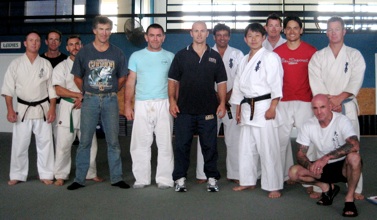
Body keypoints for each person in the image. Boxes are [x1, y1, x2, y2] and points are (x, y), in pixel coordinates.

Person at [67, 16, 129, 190]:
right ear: (94, 30)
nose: (104, 33)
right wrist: (88, 91)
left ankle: (116, 178)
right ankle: (79, 178)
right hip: (90, 100)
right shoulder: (84, 52)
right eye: (101, 29)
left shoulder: (117, 53)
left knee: (113, 141)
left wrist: (113, 90)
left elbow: (123, 77)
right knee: (85, 141)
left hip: (110, 99)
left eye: (108, 29)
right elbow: (77, 77)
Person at [309, 16, 365, 200]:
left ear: (344, 31)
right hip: (324, 108)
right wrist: (329, 104)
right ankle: (322, 187)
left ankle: (355, 187)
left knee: (352, 147)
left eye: (337, 29)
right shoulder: (318, 56)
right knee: (321, 145)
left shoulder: (354, 55)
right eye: (330, 30)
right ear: (326, 32)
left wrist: (340, 99)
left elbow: (356, 78)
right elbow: (315, 81)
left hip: (346, 106)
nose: (333, 33)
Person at [168, 21, 227, 192]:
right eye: (196, 31)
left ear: (207, 33)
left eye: (202, 31)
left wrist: (222, 103)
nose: (199, 34)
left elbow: (222, 82)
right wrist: (172, 101)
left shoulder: (215, 56)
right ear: (191, 33)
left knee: (210, 146)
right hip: (184, 110)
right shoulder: (181, 55)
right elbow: (172, 81)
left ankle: (212, 179)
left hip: (208, 110)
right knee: (181, 146)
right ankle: (179, 179)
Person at [230, 23, 284, 198]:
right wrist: (238, 108)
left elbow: (276, 83)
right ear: (245, 39)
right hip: (247, 108)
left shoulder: (270, 57)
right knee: (246, 148)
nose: (253, 39)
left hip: (264, 106)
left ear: (264, 38)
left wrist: (273, 107)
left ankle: (274, 185)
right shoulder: (243, 59)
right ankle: (248, 181)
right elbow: (238, 85)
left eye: (257, 36)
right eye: (250, 36)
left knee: (268, 148)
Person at [289, 94, 362, 217]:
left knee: (354, 157)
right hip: (323, 167)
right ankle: (327, 188)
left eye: (322, 107)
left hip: (344, 166)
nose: (319, 112)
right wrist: (310, 165)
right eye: (315, 108)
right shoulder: (308, 125)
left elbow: (354, 145)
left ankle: (349, 199)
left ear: (329, 106)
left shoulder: (341, 120)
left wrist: (325, 158)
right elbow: (301, 154)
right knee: (293, 172)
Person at [1, 30, 57, 185]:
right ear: (25, 43)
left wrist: (52, 108)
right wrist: (10, 109)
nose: (34, 43)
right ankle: (17, 174)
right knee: (20, 143)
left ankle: (46, 173)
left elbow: (52, 88)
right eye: (31, 40)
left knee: (45, 143)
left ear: (40, 43)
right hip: (22, 109)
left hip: (42, 108)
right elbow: (7, 89)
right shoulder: (16, 64)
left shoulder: (45, 63)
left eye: (37, 40)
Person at [125, 23, 174, 189]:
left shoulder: (170, 57)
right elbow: (130, 82)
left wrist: (174, 102)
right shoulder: (136, 56)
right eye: (152, 35)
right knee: (140, 143)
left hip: (164, 103)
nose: (155, 38)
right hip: (142, 103)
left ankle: (165, 179)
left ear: (163, 37)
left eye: (159, 35)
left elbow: (175, 83)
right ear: (146, 37)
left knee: (165, 143)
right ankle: (141, 179)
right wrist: (127, 105)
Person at [195, 23, 243, 184]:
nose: (222, 38)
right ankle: (203, 173)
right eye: (219, 35)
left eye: (225, 35)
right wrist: (216, 96)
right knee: (206, 138)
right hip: (209, 102)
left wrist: (227, 97)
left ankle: (234, 173)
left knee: (233, 139)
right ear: (213, 36)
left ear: (229, 36)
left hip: (232, 102)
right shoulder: (205, 52)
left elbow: (240, 78)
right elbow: (200, 78)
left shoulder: (237, 54)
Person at [52, 35, 103, 186]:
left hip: (87, 107)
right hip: (68, 108)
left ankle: (90, 172)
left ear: (82, 46)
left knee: (90, 143)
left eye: (77, 44)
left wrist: (83, 98)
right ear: (67, 48)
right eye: (71, 45)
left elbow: (96, 85)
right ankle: (61, 174)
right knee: (63, 144)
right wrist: (77, 95)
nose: (74, 47)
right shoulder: (61, 67)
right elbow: (59, 90)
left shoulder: (90, 65)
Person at [273, 16, 317, 185]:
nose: (292, 31)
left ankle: (310, 180)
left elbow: (316, 78)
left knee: (309, 143)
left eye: (295, 28)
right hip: (283, 103)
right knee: (281, 141)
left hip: (305, 102)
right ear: (284, 30)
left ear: (301, 30)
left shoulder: (311, 51)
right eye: (288, 28)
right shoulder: (277, 53)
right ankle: (284, 176)